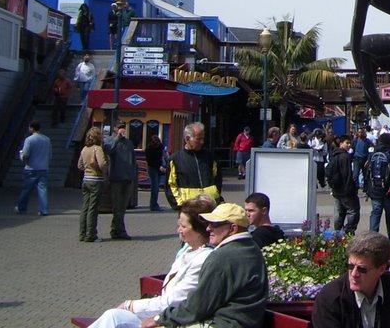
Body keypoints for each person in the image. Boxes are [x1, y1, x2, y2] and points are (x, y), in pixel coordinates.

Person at [90, 196, 216, 328]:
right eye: (179, 225)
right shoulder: (188, 250)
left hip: (174, 321)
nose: (178, 230)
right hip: (163, 315)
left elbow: (173, 301)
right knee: (114, 316)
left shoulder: (203, 259)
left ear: (199, 230)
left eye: (183, 226)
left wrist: (131, 305)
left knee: (114, 318)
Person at [139, 202, 268, 328]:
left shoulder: (222, 257)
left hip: (222, 323)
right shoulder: (252, 249)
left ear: (233, 229)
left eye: (214, 224)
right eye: (208, 223)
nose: (208, 228)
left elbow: (198, 306)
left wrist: (160, 318)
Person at [312, 232, 390, 328]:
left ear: (381, 269)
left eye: (362, 269)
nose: (354, 274)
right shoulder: (330, 299)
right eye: (350, 266)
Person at [165, 122, 222, 209]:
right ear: (187, 139)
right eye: (198, 139)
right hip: (189, 207)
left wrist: (216, 197)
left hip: (211, 204)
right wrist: (179, 204)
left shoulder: (210, 157)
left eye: (203, 138)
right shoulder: (175, 159)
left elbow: (217, 179)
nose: (202, 142)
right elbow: (171, 184)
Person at [364, 132, 390, 243]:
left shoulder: (372, 155)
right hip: (388, 191)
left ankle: (372, 237)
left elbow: (366, 172)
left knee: (376, 212)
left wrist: (368, 188)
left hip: (374, 189)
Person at [105, 121, 137, 240]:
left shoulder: (128, 143)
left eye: (123, 127)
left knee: (123, 207)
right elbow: (108, 151)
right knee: (117, 207)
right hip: (116, 178)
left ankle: (115, 230)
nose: (122, 129)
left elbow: (133, 160)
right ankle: (120, 231)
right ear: (114, 128)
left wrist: (133, 174)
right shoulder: (110, 140)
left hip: (127, 178)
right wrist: (117, 138)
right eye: (119, 127)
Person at [78, 125, 108, 242]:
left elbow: (79, 165)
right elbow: (102, 164)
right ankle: (91, 234)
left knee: (85, 207)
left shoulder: (84, 149)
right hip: (96, 180)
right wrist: (104, 170)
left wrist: (87, 168)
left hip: (86, 179)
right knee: (93, 208)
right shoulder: (97, 148)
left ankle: (82, 233)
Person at [16, 120, 52, 216]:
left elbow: (26, 154)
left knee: (26, 189)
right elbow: (50, 155)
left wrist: (21, 155)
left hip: (31, 168)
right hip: (43, 168)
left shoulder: (29, 140)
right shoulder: (47, 139)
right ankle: (44, 209)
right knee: (42, 189)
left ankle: (21, 208)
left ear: (32, 128)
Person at [327, 134, 360, 233]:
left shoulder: (334, 155)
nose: (349, 145)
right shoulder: (345, 157)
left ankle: (337, 233)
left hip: (336, 189)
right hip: (346, 190)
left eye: (350, 143)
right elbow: (347, 175)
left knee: (339, 213)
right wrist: (351, 189)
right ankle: (348, 231)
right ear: (341, 143)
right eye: (347, 143)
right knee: (353, 211)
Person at [145, 134, 166, 212]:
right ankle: (153, 205)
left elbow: (162, 156)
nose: (157, 144)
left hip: (159, 167)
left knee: (156, 187)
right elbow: (150, 161)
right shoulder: (149, 149)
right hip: (152, 168)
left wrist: (162, 165)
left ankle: (154, 204)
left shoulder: (160, 146)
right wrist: (159, 166)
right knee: (155, 187)